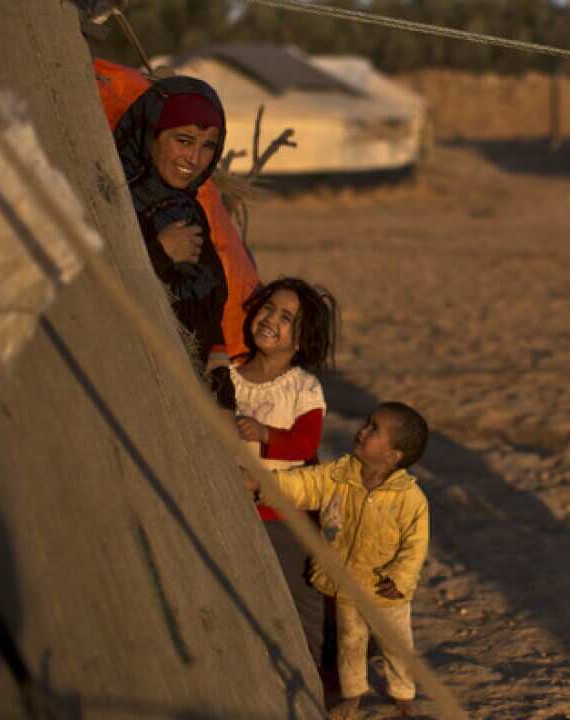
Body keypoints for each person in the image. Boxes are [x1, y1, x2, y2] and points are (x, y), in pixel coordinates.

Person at [247, 402, 430, 720]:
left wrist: (400, 579)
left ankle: (403, 694)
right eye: (367, 423)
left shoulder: (410, 498)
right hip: (347, 584)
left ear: (393, 457)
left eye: (375, 430)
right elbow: (304, 484)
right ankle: (353, 696)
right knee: (350, 644)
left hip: (387, 593)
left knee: (396, 645)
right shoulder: (338, 476)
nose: (363, 431)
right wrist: (262, 485)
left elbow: (415, 546)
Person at [94, 58, 260, 364]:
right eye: (183, 140)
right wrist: (159, 251)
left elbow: (210, 313)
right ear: (151, 134)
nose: (194, 159)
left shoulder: (190, 209)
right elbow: (92, 283)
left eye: (208, 145)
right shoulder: (109, 194)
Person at [226, 277, 338, 678]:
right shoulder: (229, 377)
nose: (270, 319)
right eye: (268, 308)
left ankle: (311, 676)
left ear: (303, 339)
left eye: (286, 317)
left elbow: (305, 444)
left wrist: (265, 434)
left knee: (299, 598)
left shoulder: (303, 388)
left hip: (284, 514)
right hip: (231, 508)